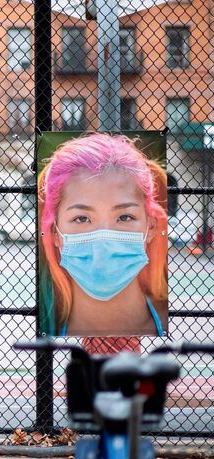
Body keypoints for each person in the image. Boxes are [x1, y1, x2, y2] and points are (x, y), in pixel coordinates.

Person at [38, 133, 169, 338]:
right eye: (81, 219)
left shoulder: (179, 324)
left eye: (124, 217)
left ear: (151, 227)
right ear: (55, 232)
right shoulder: (43, 330)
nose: (103, 241)